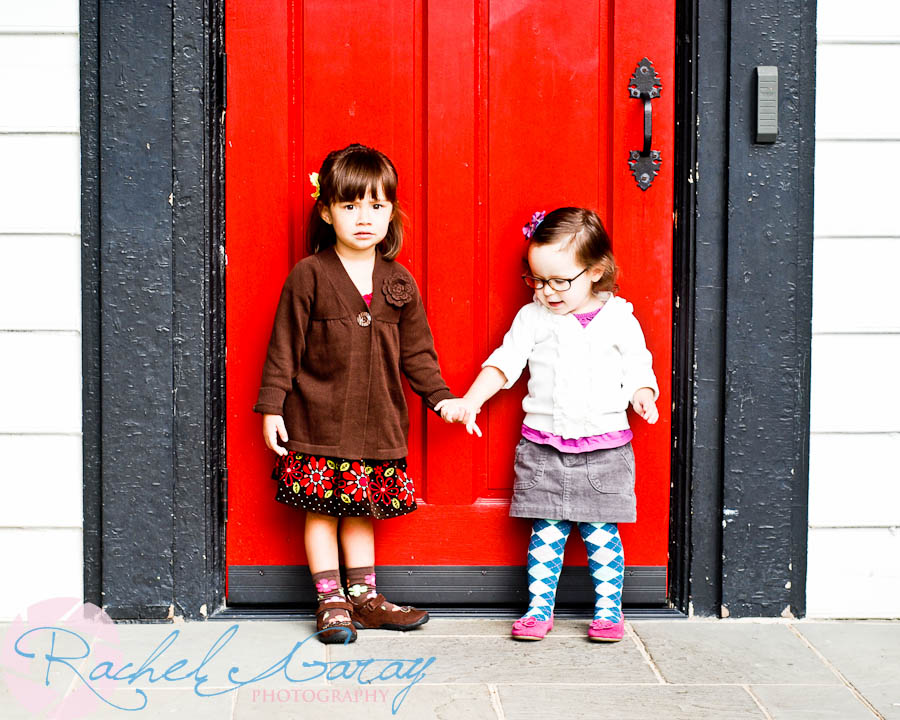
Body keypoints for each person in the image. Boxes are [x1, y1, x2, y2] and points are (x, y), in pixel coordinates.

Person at [254, 143, 457, 644]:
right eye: (349, 206)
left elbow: (418, 354)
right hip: (318, 420)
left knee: (362, 510)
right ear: (326, 211)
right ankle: (330, 601)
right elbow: (284, 346)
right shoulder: (310, 275)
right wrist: (272, 406)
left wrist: (441, 397)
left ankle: (364, 598)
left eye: (376, 206)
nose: (364, 218)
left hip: (377, 423)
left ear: (391, 211)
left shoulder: (399, 282)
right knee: (322, 511)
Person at [437, 207, 659, 642]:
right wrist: (471, 400)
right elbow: (505, 363)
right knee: (546, 533)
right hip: (544, 447)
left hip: (605, 448)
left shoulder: (618, 318)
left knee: (600, 533)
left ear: (596, 272)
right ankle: (539, 610)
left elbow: (638, 365)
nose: (547, 291)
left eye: (560, 281)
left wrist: (642, 394)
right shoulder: (533, 318)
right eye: (538, 280)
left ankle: (609, 610)